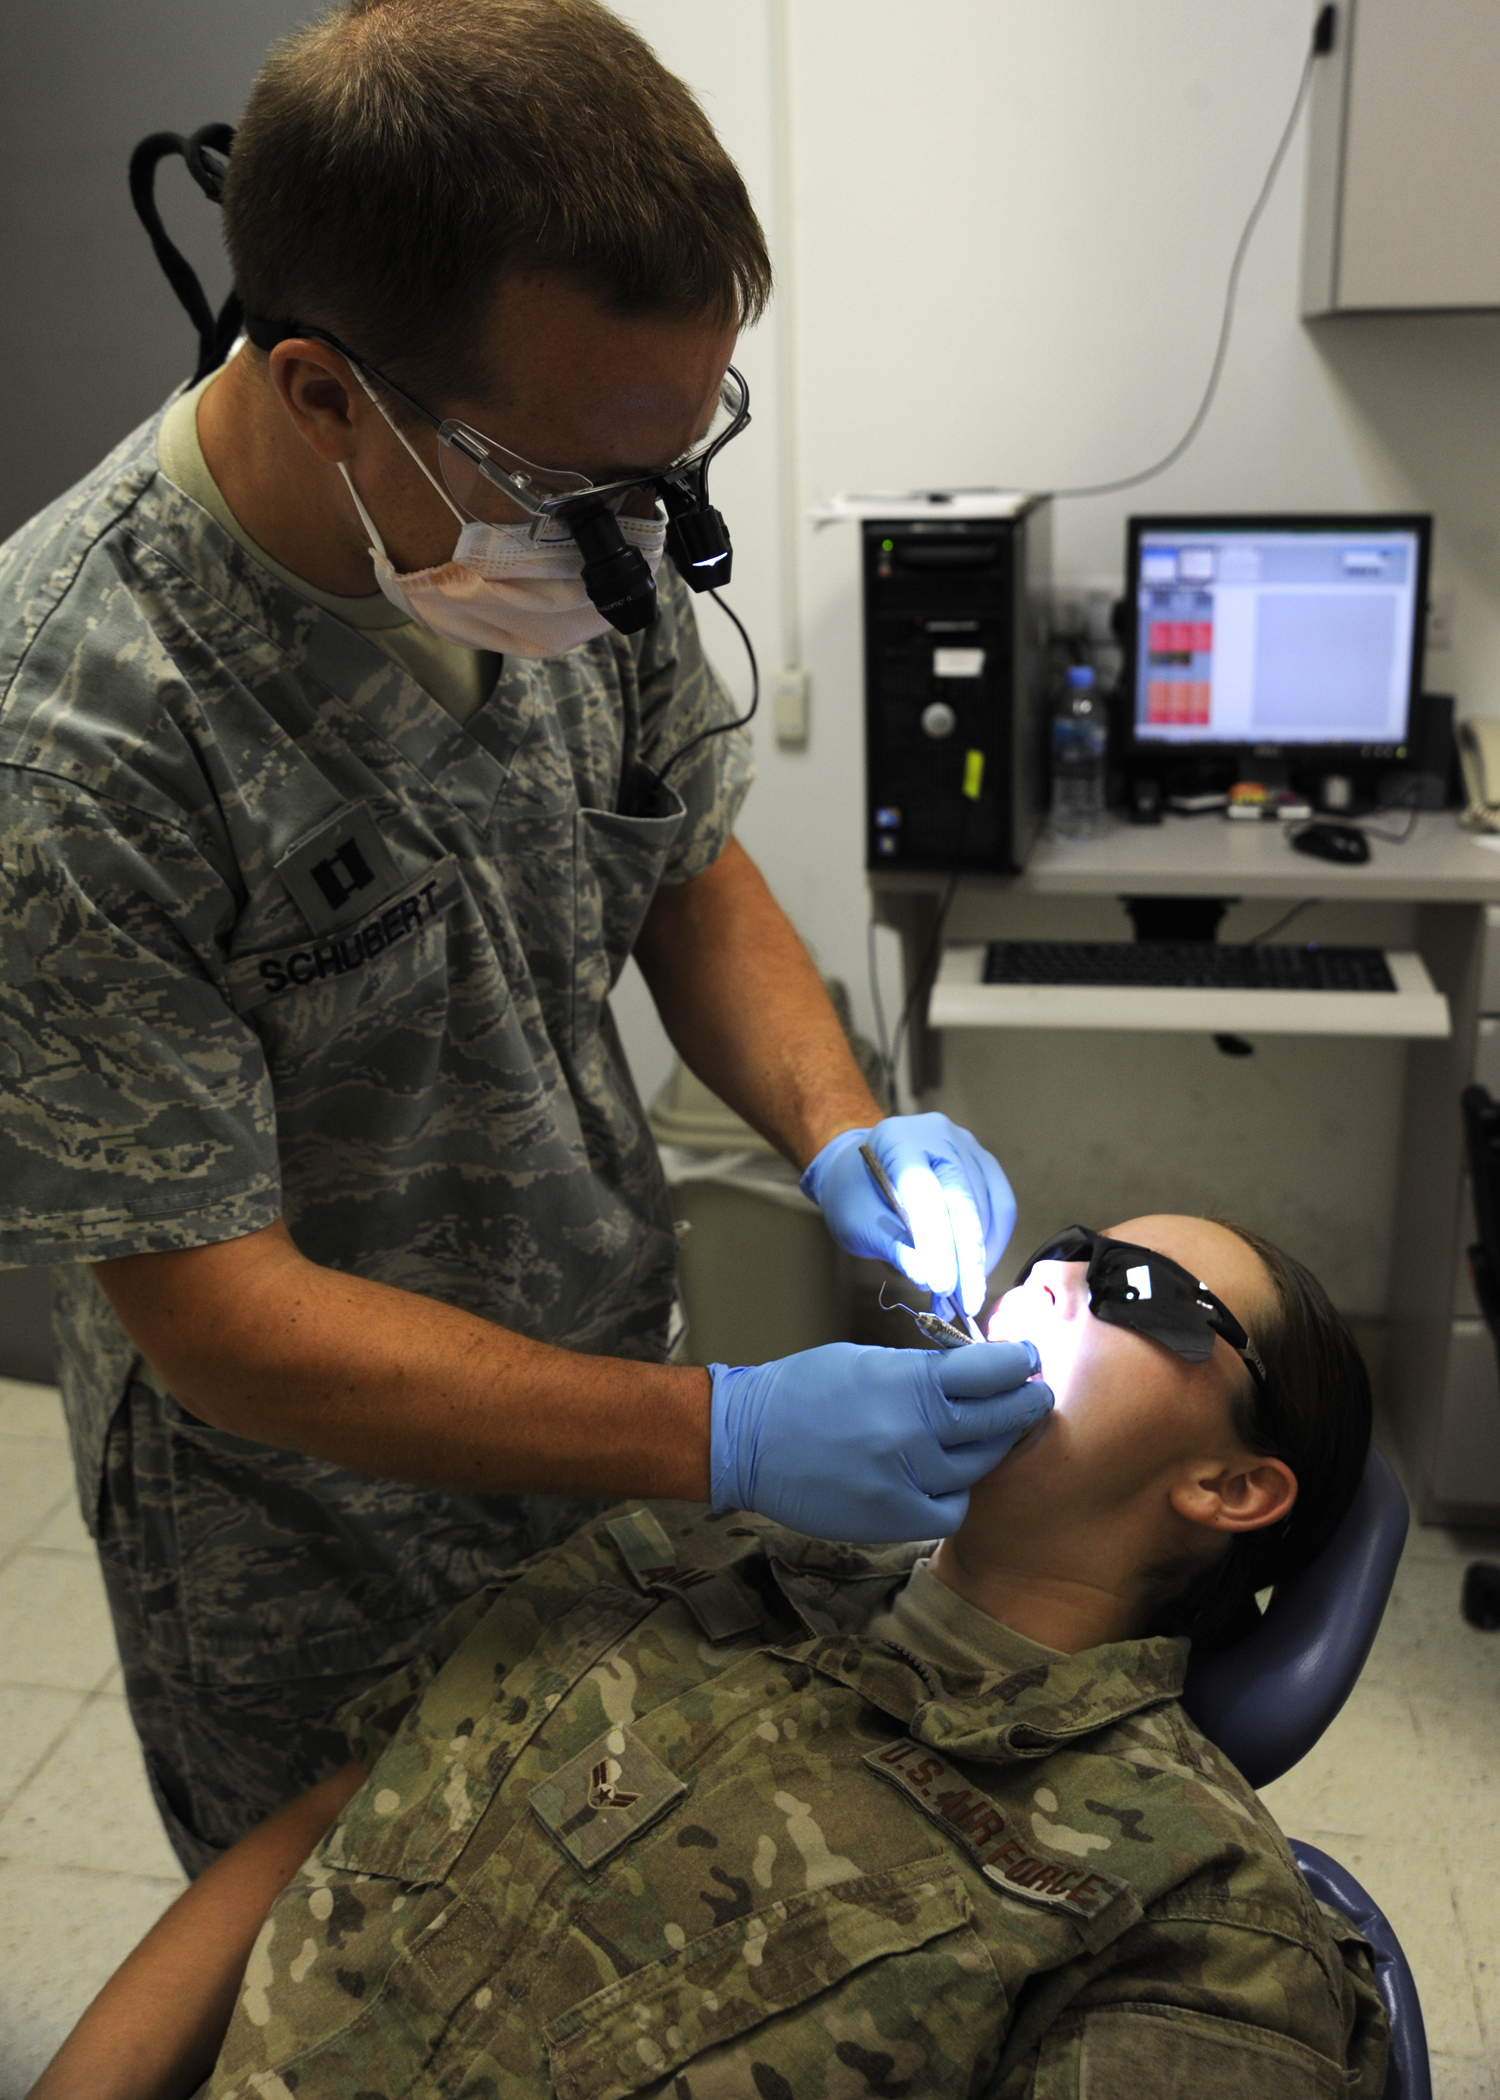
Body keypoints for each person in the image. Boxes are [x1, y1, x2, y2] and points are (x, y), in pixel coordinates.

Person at [0, 0, 1042, 1879]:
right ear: (328, 393)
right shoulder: (76, 738)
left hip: (604, 1404)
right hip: (306, 1536)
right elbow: (223, 1319)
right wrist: (723, 1433)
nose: (637, 538)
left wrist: (836, 1126)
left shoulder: (567, 523)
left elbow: (689, 873)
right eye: (582, 486)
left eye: (681, 456)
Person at [31, 1214, 1388, 2099]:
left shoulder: (1188, 1909)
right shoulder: (680, 1555)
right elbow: (332, 1826)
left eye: (1138, 1289)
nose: (1055, 1274)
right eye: (1069, 1243)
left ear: (1231, 1489)